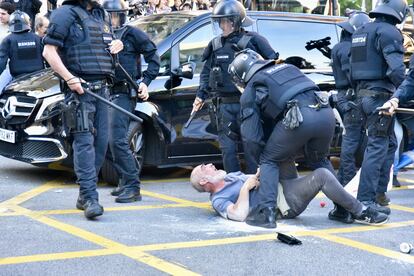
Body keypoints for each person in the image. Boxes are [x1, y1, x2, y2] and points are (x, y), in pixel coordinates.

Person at [228, 49, 337, 228]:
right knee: (319, 160)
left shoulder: (252, 86)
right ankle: (343, 208)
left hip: (300, 118)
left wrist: (260, 162)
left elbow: (251, 138)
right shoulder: (287, 67)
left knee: (269, 159)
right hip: (325, 115)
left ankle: (266, 213)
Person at [42, 0, 124, 219]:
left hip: (102, 91)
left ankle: (84, 194)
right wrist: (69, 79)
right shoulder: (64, 14)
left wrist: (117, 45)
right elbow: (49, 52)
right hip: (79, 92)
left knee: (100, 144)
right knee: (84, 143)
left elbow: (104, 46)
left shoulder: (101, 15)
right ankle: (89, 197)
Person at [191, 0, 277, 174]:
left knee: (252, 147)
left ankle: (256, 187)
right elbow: (206, 73)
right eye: (220, 21)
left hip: (248, 104)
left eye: (227, 21)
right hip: (223, 106)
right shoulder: (216, 45)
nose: (223, 25)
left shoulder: (255, 40)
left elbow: (272, 66)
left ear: (237, 21)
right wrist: (200, 95)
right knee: (228, 151)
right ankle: (234, 186)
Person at [190, 163, 388, 227]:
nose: (211, 165)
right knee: (321, 175)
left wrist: (263, 169)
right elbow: (238, 215)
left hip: (280, 186)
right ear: (203, 182)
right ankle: (360, 211)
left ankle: (340, 210)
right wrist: (245, 189)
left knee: (281, 152)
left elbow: (255, 177)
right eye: (205, 168)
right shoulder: (218, 199)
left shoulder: (232, 176)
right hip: (283, 201)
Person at [350, 0, 408, 212]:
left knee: (389, 144)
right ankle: (367, 200)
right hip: (380, 96)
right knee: (377, 147)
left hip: (361, 96)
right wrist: (405, 93)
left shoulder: (361, 31)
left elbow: (352, 68)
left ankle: (380, 194)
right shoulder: (390, 32)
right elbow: (396, 70)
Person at [103, 0, 160, 203]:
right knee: (107, 140)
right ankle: (124, 181)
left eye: (115, 15)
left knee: (117, 140)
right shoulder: (101, 35)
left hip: (124, 92)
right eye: (108, 15)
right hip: (105, 92)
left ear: (122, 15)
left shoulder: (132, 34)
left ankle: (132, 186)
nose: (112, 20)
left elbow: (154, 57)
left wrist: (145, 82)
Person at [330, 12, 370, 222]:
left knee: (350, 143)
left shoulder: (338, 48)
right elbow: (351, 75)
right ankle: (346, 193)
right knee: (352, 144)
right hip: (352, 97)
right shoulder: (349, 50)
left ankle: (345, 193)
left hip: (344, 97)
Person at [0, 10, 44, 78]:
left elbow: (1, 63)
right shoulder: (38, 38)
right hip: (39, 78)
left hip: (18, 80)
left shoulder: (7, 40)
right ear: (27, 23)